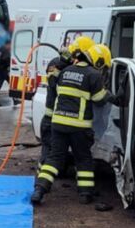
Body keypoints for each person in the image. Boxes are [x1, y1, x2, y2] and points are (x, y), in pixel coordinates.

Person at [31, 41, 111, 206]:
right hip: (79, 127)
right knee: (83, 159)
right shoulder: (93, 75)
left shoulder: (65, 71)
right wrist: (112, 95)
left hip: (58, 124)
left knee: (54, 158)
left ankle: (39, 190)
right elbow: (99, 100)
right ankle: (85, 194)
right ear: (99, 62)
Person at [38, 37, 95, 172]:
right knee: (49, 153)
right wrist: (63, 63)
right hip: (51, 119)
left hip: (62, 119)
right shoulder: (57, 64)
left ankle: (45, 179)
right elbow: (52, 82)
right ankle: (40, 180)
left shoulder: (71, 67)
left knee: (59, 157)